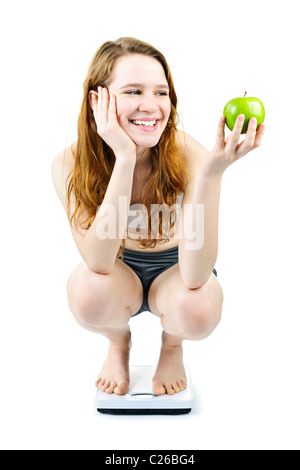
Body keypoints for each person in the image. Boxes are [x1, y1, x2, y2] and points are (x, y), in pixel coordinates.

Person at [52, 37, 265, 396]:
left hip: (177, 267)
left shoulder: (186, 151)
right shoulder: (69, 163)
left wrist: (211, 174)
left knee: (198, 308)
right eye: (133, 91)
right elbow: (99, 261)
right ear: (97, 100)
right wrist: (124, 157)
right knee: (89, 292)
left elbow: (197, 276)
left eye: (161, 93)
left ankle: (172, 346)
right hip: (118, 267)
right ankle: (118, 343)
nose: (151, 107)